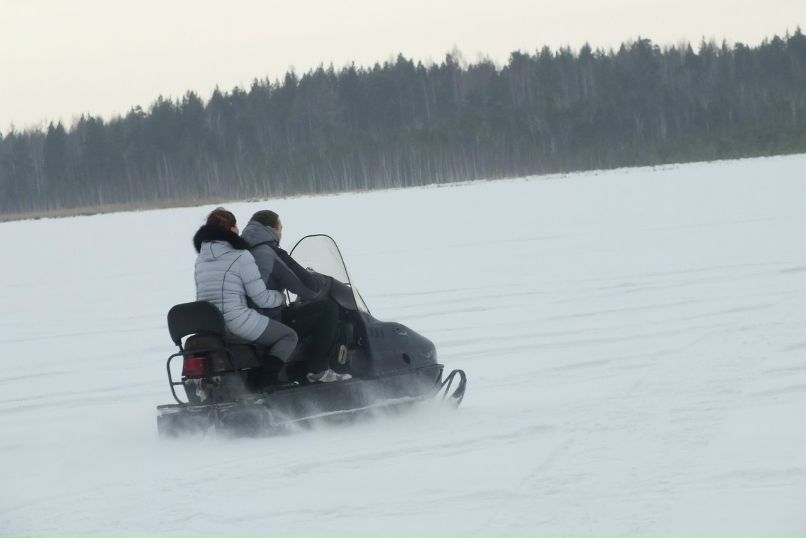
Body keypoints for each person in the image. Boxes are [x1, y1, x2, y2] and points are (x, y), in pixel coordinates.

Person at [241, 210, 351, 383]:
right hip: (268, 321)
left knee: (297, 311)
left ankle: (296, 370)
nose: (281, 233)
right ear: (272, 229)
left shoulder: (241, 253)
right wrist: (317, 278)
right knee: (328, 309)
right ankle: (318, 370)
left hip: (244, 319)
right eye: (281, 228)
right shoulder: (271, 252)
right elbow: (309, 288)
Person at [193, 207, 298, 386]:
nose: (239, 230)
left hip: (210, 324)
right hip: (237, 322)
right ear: (231, 229)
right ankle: (264, 385)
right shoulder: (241, 256)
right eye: (236, 226)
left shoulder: (201, 259)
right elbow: (261, 298)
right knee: (288, 336)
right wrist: (280, 297)